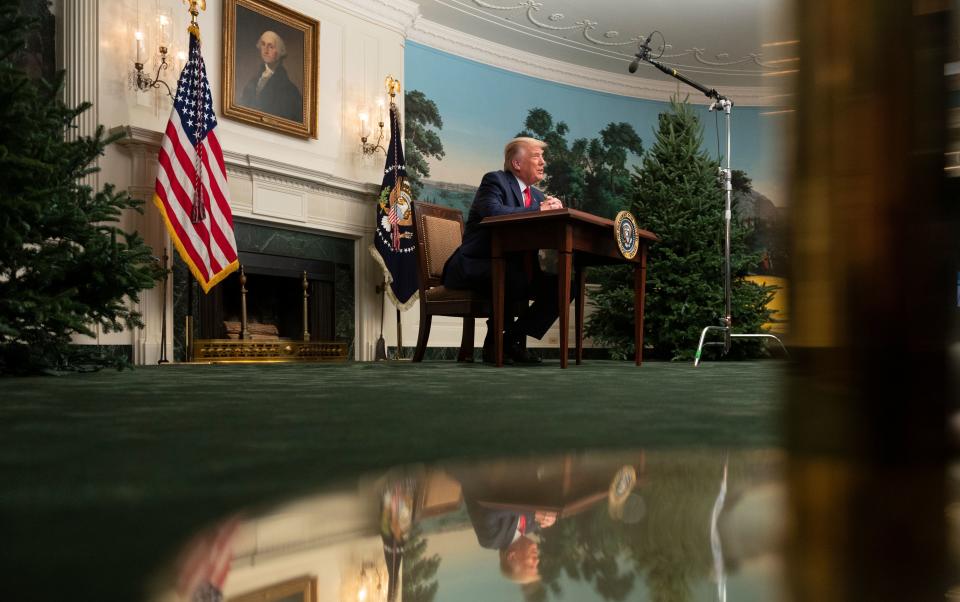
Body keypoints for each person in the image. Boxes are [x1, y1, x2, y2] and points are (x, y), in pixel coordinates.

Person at [441, 137, 569, 364]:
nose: (543, 162)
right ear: (517, 164)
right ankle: (494, 345)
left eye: (543, 157)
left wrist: (556, 213)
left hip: (516, 268)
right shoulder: (495, 181)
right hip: (474, 263)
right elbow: (493, 212)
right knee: (511, 274)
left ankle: (511, 338)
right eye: (536, 156)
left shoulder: (538, 196)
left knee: (569, 282)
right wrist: (539, 210)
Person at [238, 30, 303, 123]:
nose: (265, 50)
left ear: (280, 52)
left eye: (271, 46)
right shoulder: (253, 81)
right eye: (263, 44)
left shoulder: (289, 90)